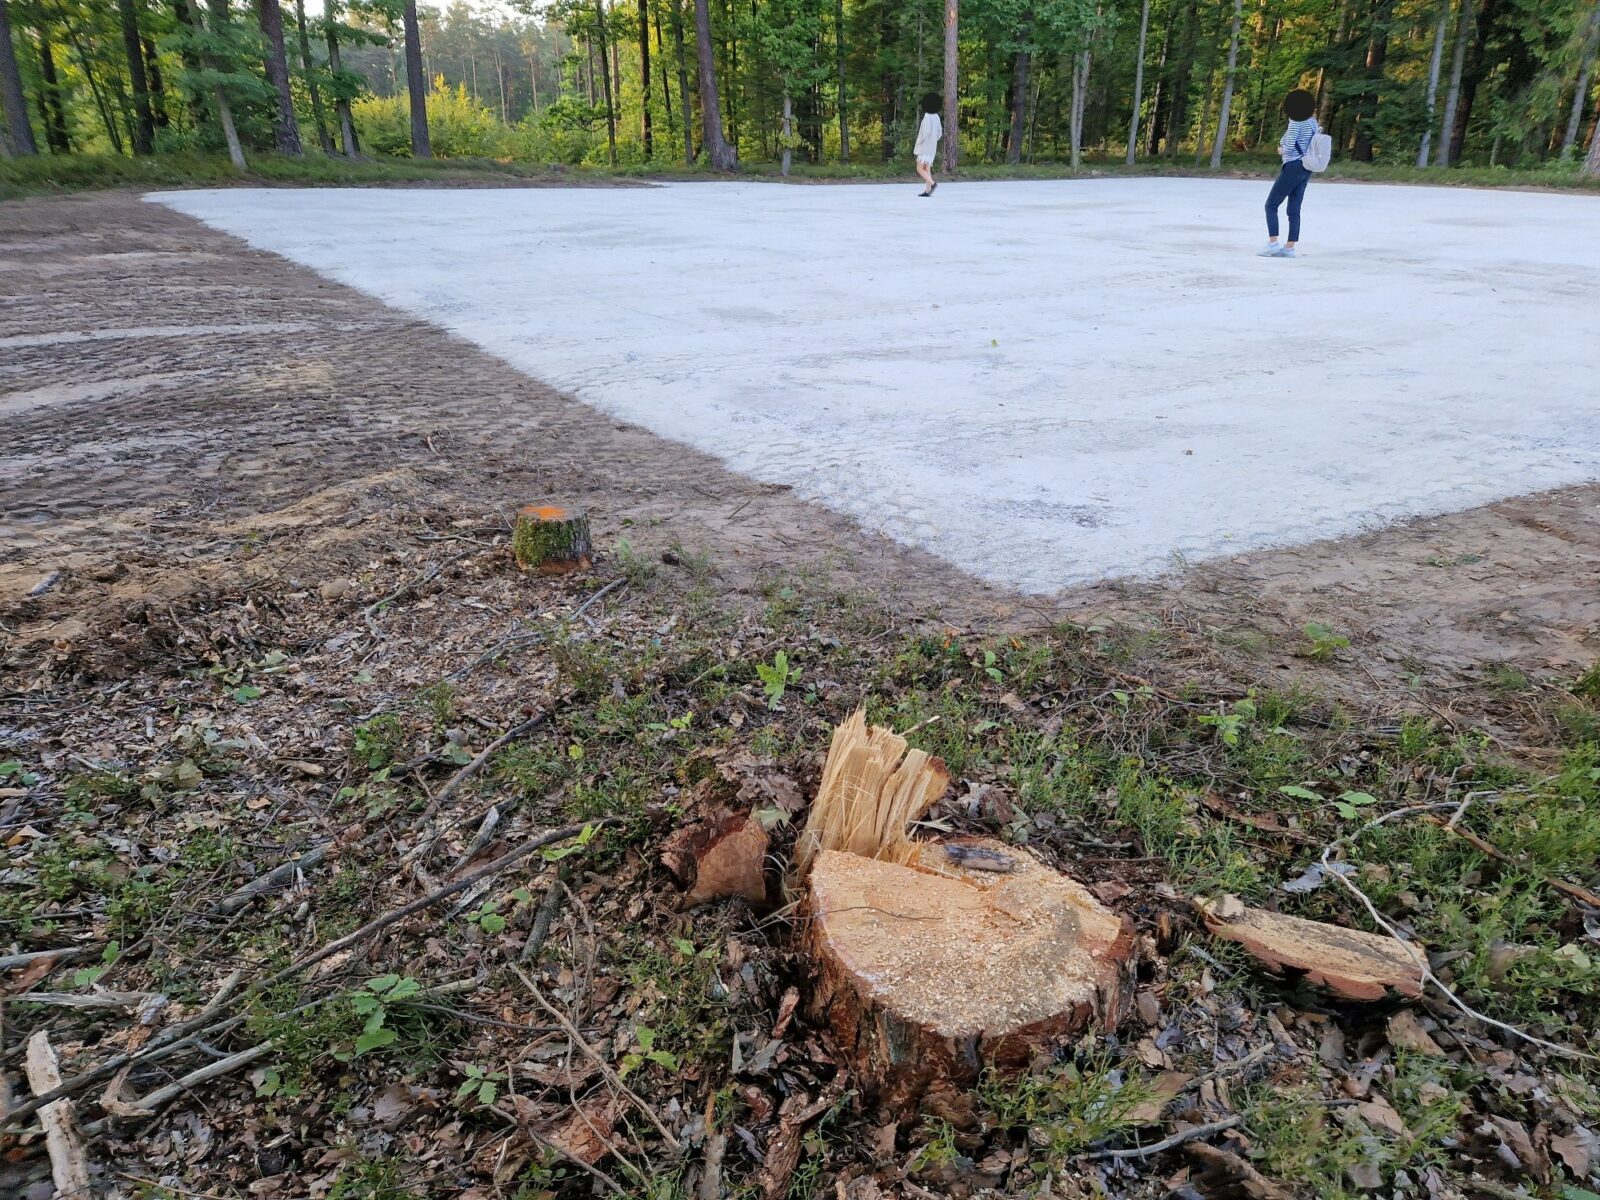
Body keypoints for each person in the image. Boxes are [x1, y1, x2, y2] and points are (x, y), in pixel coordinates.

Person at [1259, 89, 1319, 259]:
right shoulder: (1313, 122)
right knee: (1294, 209)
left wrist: (1280, 150)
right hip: (1307, 167)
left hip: (1293, 165)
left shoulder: (1296, 122)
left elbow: (1290, 146)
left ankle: (1272, 243)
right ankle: (1290, 247)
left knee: (1271, 205)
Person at [914, 93, 943, 198]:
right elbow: (939, 132)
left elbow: (926, 131)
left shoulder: (927, 116)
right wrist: (934, 140)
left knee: (920, 168)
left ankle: (932, 184)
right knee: (927, 169)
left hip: (925, 146)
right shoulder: (936, 116)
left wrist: (920, 141)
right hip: (932, 147)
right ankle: (927, 190)